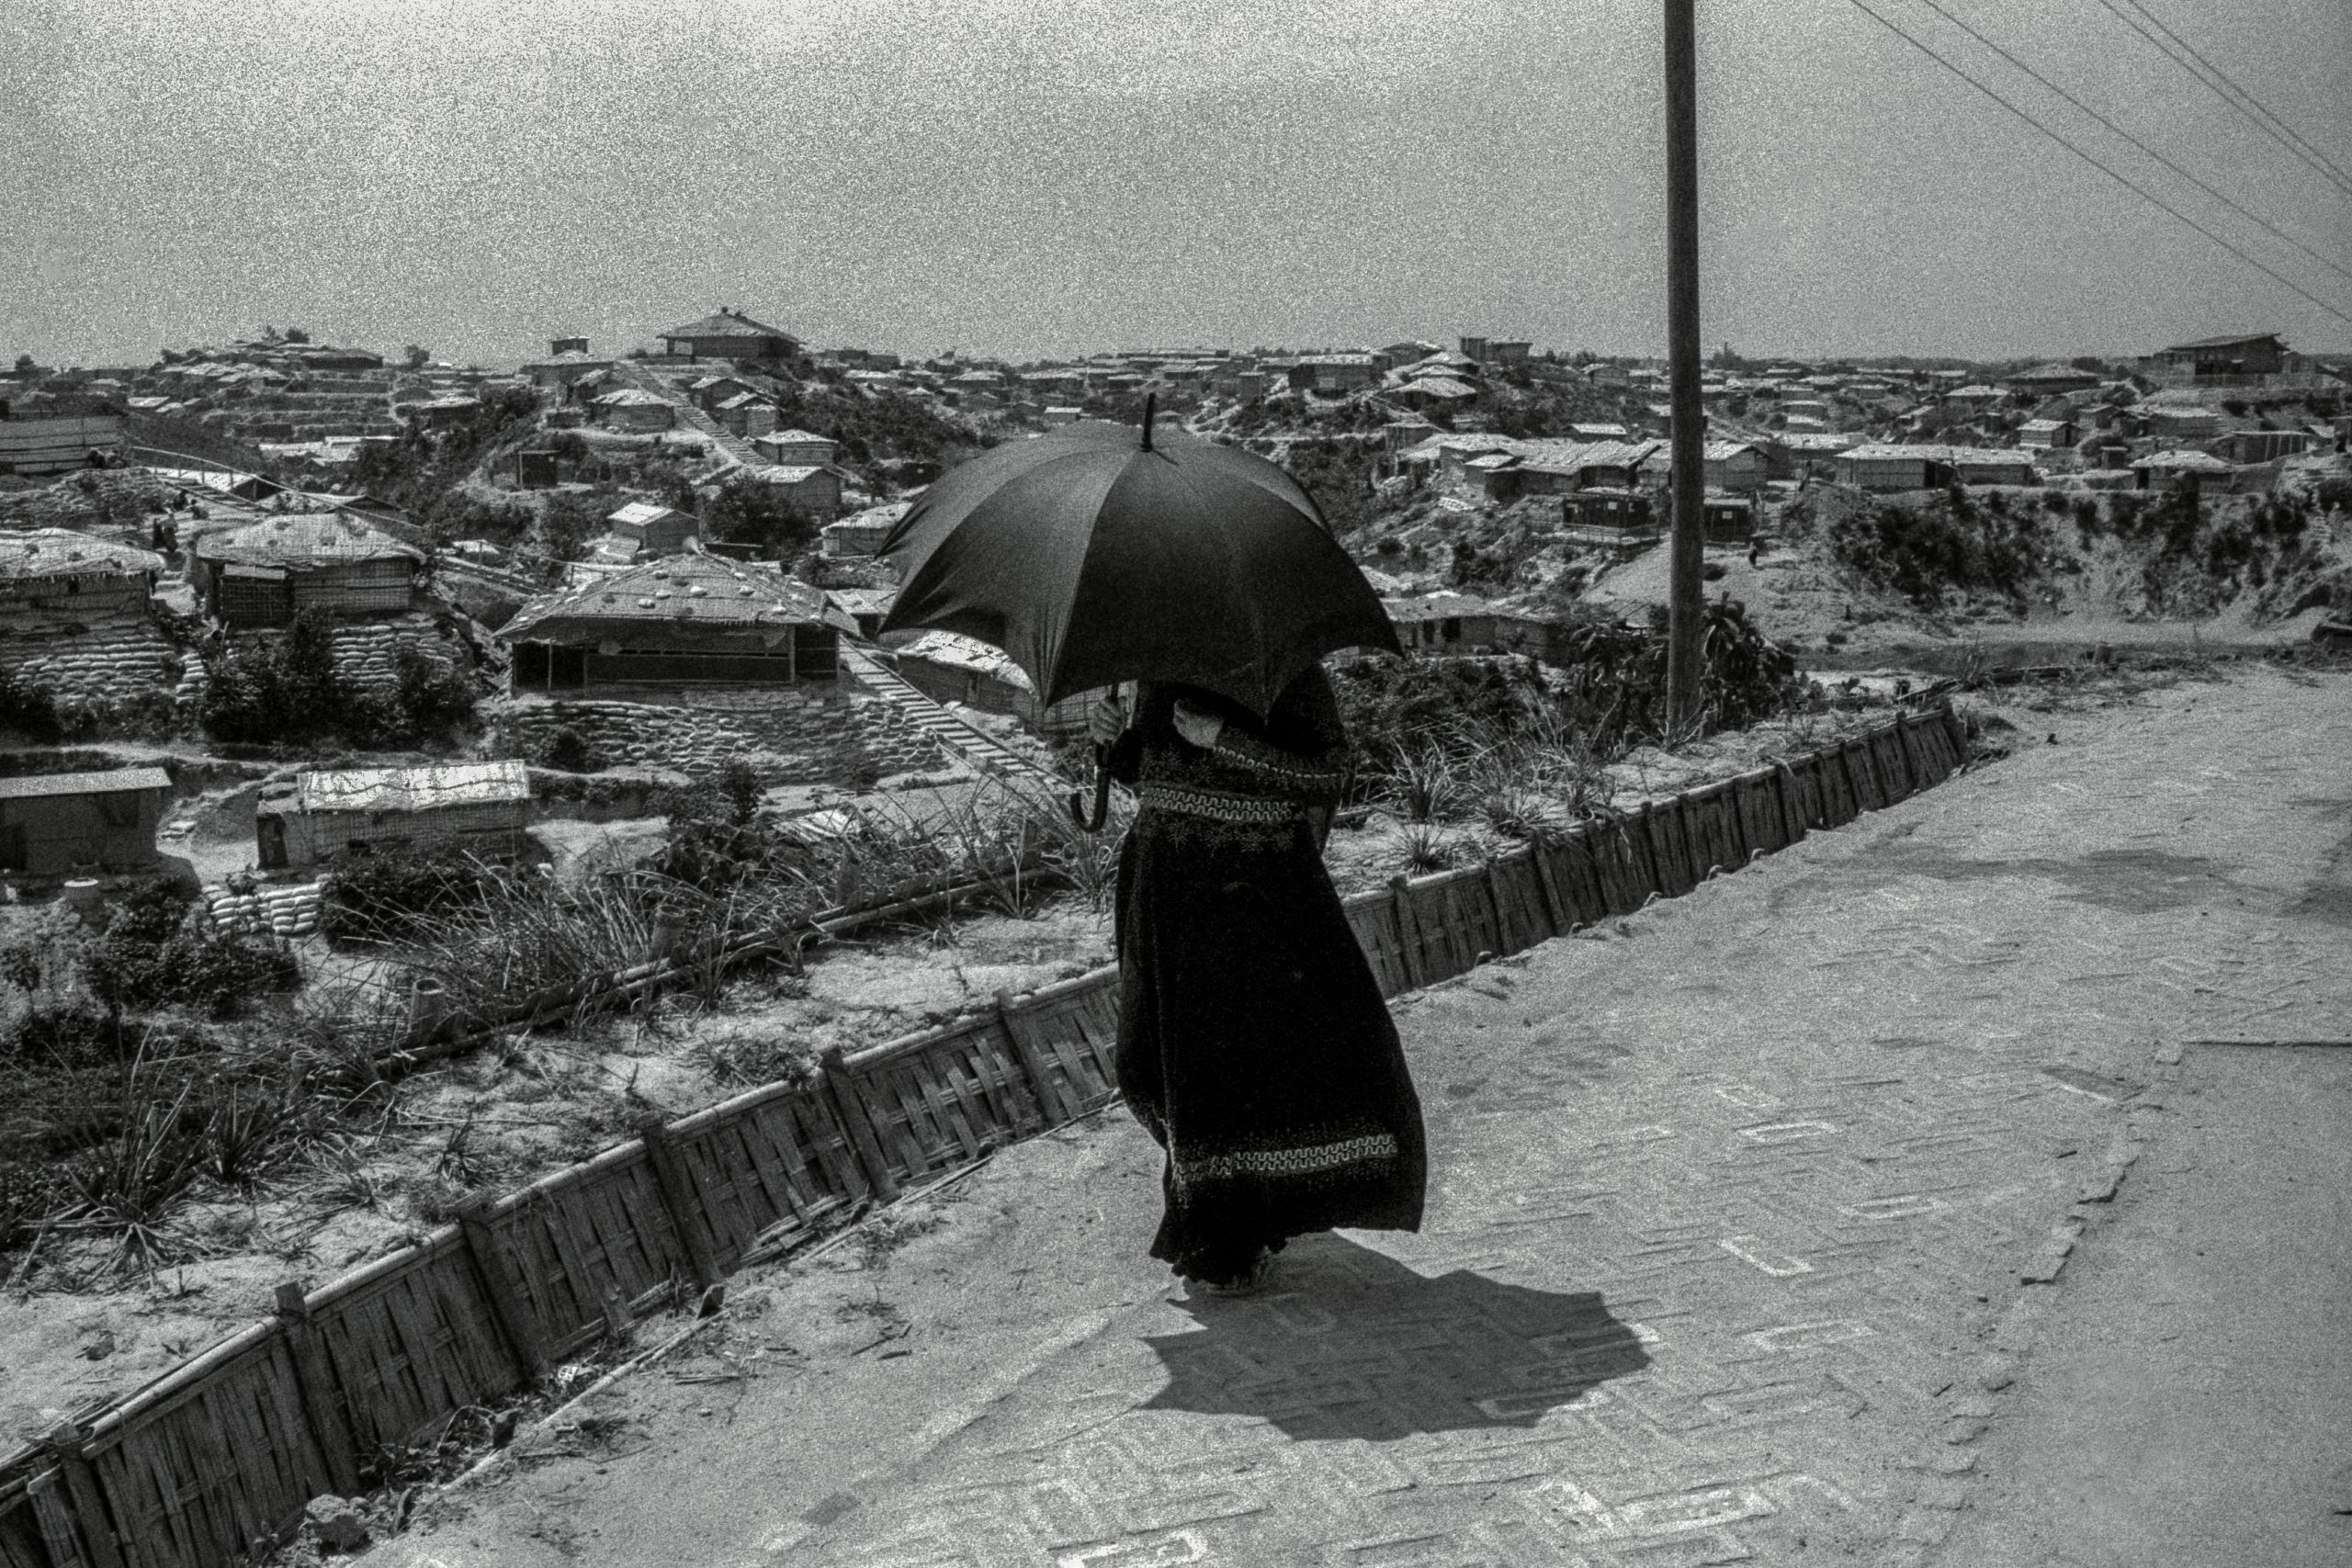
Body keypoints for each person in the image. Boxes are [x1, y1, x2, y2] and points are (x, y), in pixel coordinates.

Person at [1091, 666, 1426, 1296]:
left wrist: (1225, 737)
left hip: (1255, 890)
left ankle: (1223, 1232)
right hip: (1166, 886)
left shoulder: (1288, 674)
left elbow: (1327, 774)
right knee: (1156, 1062)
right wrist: (1113, 743)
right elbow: (1152, 773)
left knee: (1241, 1061)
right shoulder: (1160, 665)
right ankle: (1221, 1211)